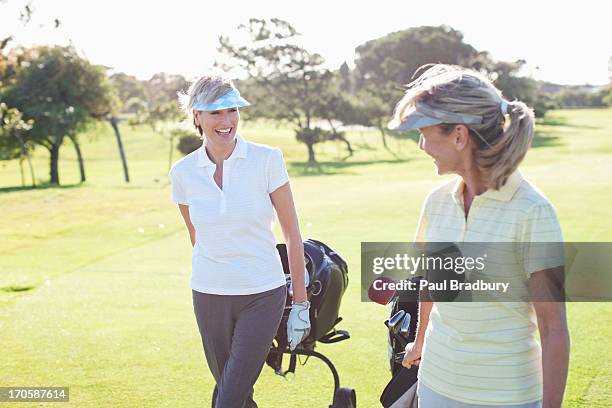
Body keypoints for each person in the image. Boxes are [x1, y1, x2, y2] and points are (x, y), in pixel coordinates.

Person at [388, 64, 570, 408]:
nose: (421, 145)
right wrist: (420, 342)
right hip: (436, 385)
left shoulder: (532, 211)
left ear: (459, 136)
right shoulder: (437, 201)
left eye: (425, 133)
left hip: (505, 395)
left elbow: (553, 327)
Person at [168, 75, 310, 407]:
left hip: (262, 293)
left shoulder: (266, 160)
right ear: (197, 116)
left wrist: (300, 303)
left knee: (229, 397)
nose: (227, 120)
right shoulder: (183, 172)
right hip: (208, 294)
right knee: (234, 392)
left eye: (232, 110)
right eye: (216, 112)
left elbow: (292, 234)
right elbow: (196, 236)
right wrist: (216, 272)